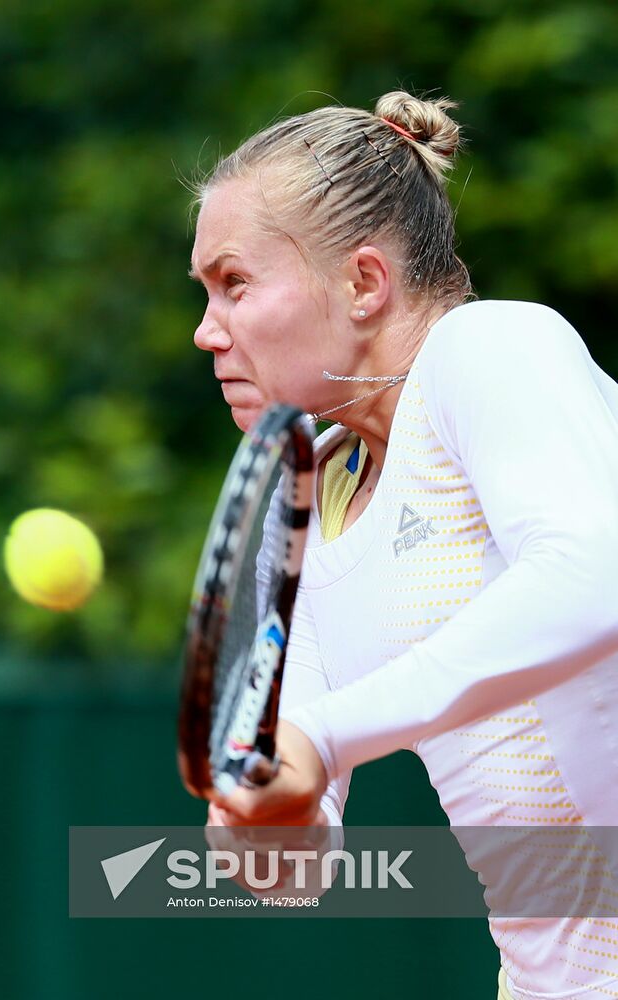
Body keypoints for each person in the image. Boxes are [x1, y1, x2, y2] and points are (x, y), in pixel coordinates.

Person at [188, 90, 618, 999]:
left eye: (235, 284)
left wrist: (323, 736)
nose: (206, 330)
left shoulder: (493, 346)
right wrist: (268, 822)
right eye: (205, 294)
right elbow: (302, 859)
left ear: (362, 283)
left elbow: (597, 576)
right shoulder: (304, 502)